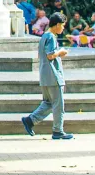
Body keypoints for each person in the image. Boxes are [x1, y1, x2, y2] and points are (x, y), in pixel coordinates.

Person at [21, 12, 73, 140]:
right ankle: (58, 130)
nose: (63, 28)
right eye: (62, 25)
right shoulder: (51, 37)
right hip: (53, 76)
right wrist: (61, 52)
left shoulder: (44, 36)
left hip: (45, 76)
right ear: (57, 25)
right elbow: (50, 55)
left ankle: (30, 120)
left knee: (49, 103)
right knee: (58, 105)